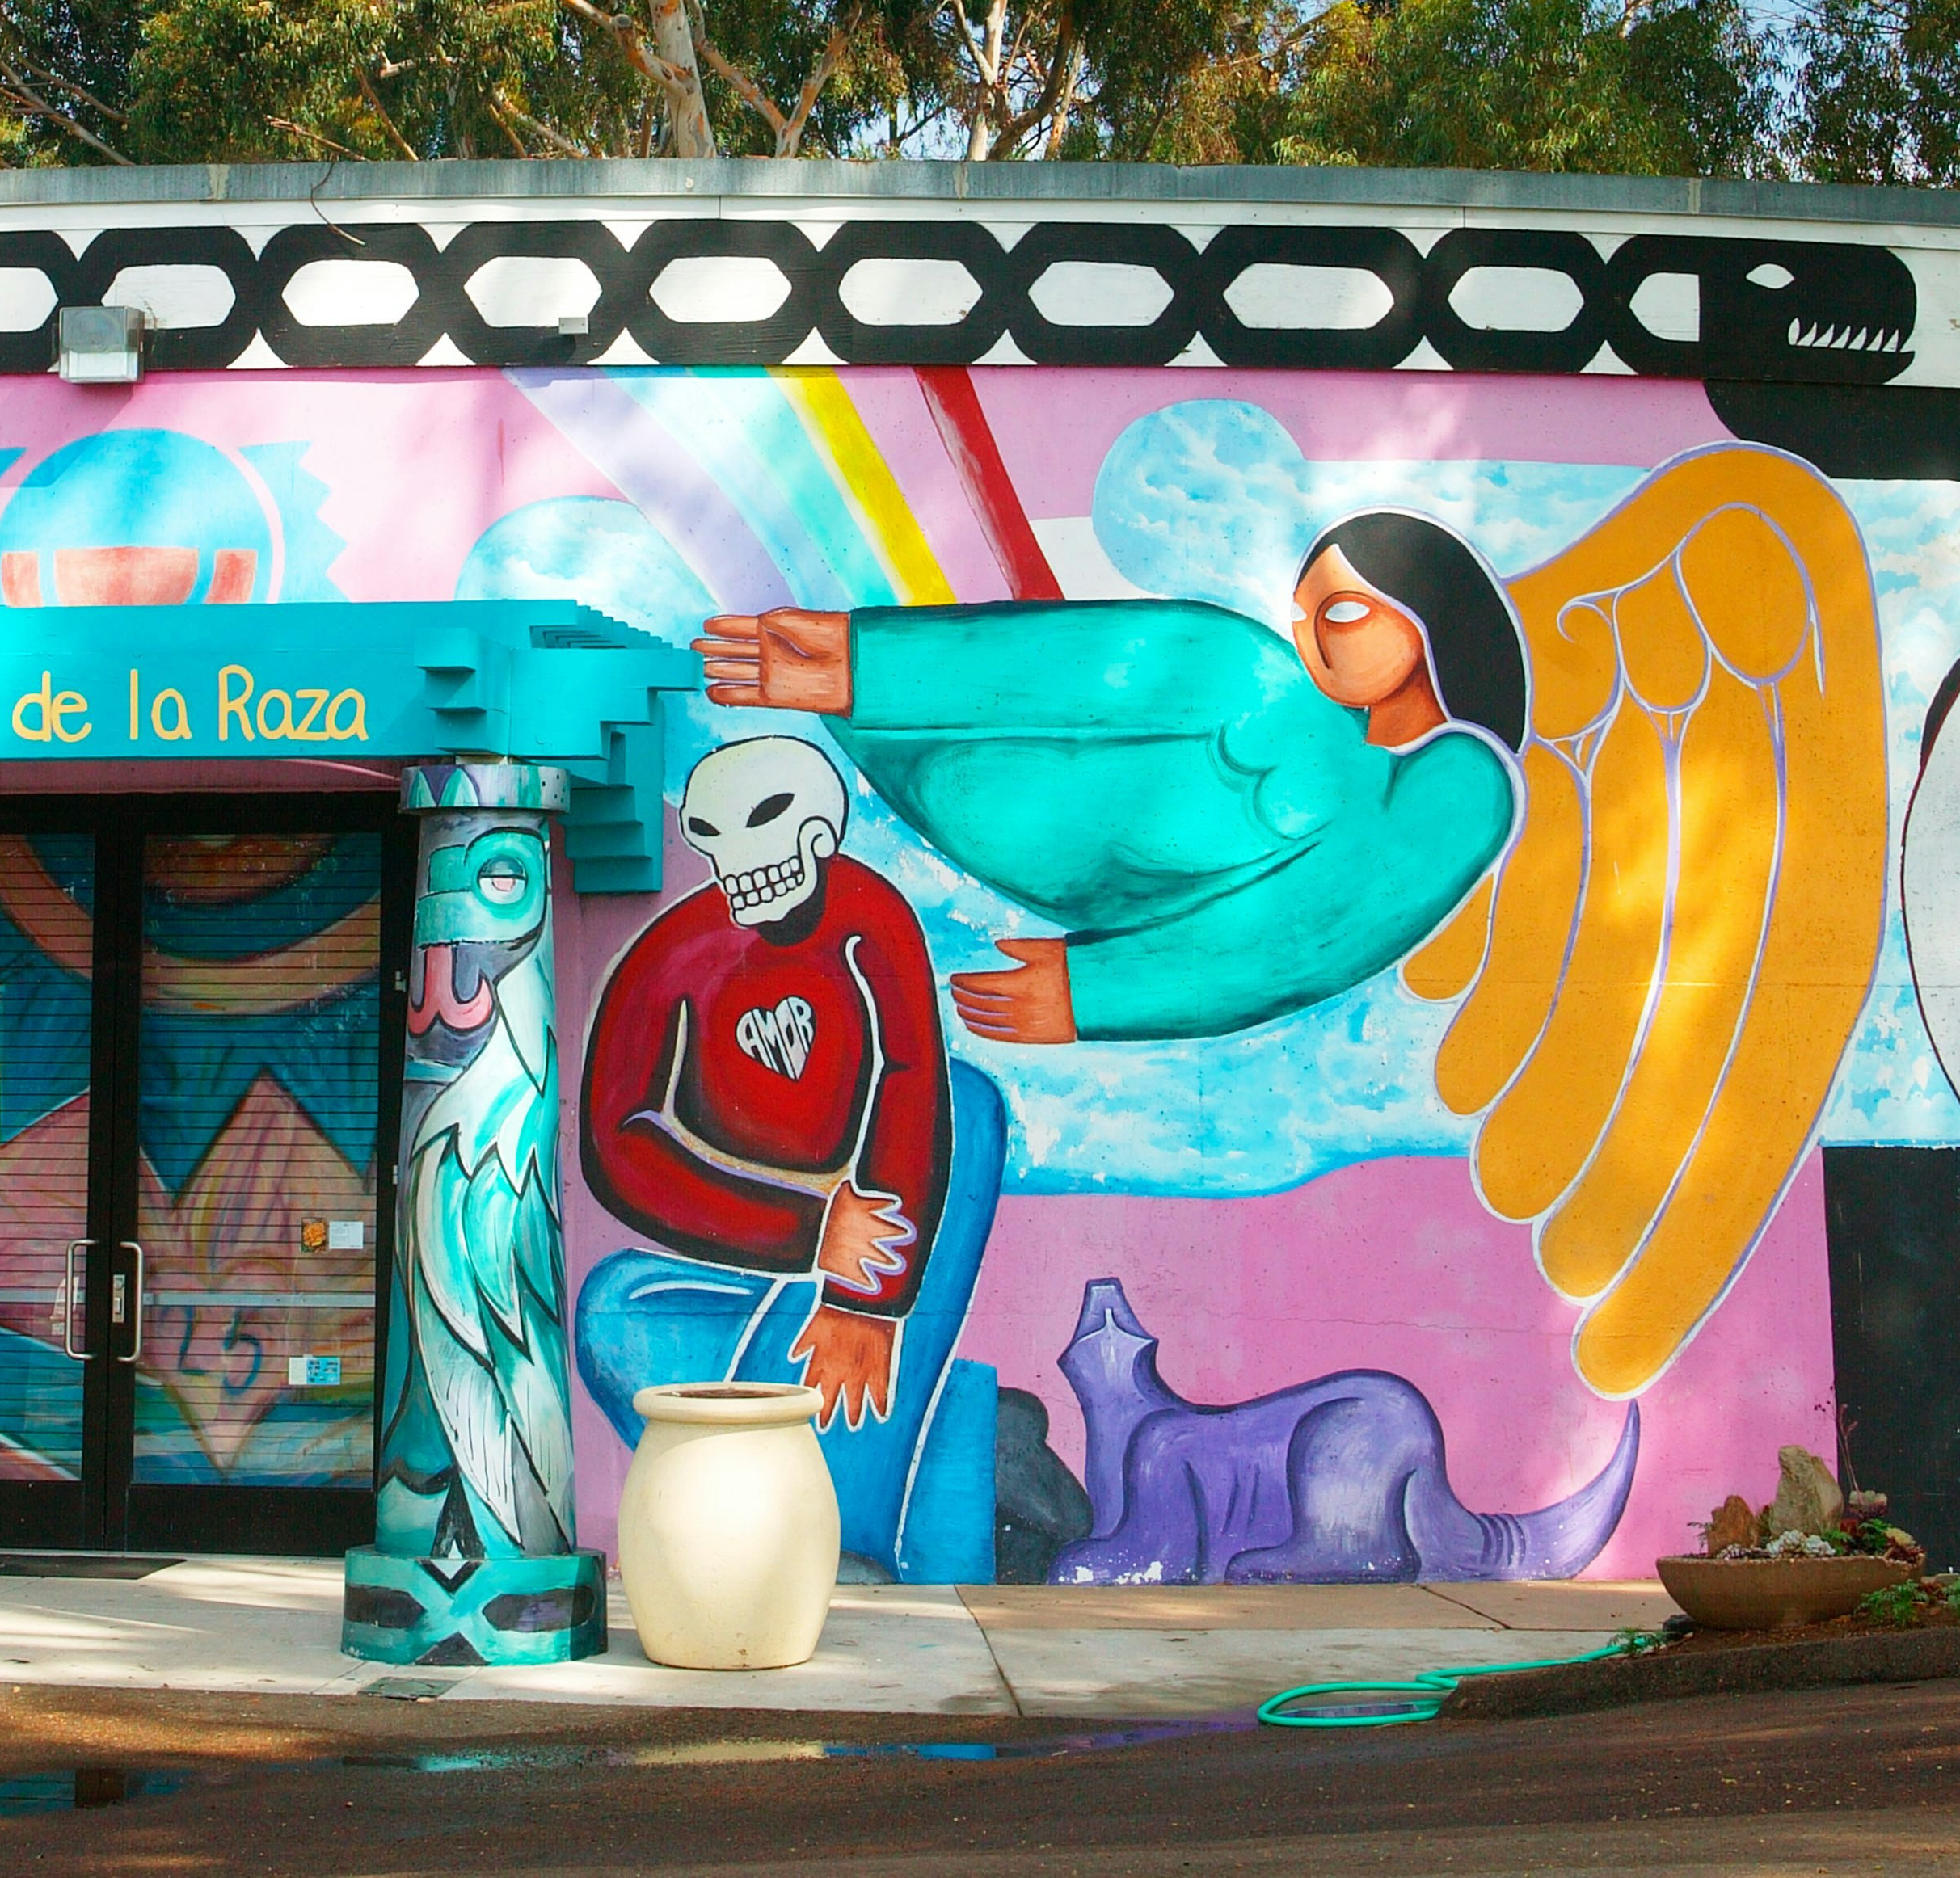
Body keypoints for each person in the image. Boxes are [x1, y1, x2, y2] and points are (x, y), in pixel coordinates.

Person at [696, 511, 1529, 1046]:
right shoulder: (1267, 672)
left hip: (1004, 825)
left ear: (1429, 625)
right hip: (926, 759)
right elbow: (1089, 657)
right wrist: (864, 665)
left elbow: (1299, 939)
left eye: (1341, 614)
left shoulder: (1459, 787)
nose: (1309, 639)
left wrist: (1093, 992)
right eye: (1303, 615)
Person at [571, 735, 1005, 1581]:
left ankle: (838, 1535)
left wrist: (868, 1300)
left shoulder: (870, 917)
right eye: (709, 833)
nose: (735, 861)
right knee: (610, 1307)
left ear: (821, 832)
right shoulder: (671, 959)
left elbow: (913, 1078)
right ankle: (920, 1435)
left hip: (871, 1251)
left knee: (972, 1108)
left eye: (765, 821)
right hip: (756, 1263)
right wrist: (808, 1233)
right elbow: (615, 1147)